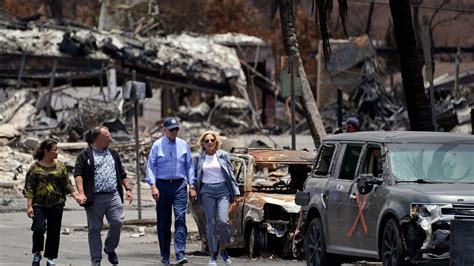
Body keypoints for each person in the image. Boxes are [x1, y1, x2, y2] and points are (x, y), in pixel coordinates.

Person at [74, 126, 133, 266]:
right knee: (94, 229)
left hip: (113, 195)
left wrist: (128, 189)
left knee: (117, 222)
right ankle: (96, 259)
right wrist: (81, 193)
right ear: (99, 138)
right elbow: (78, 175)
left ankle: (110, 248)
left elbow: (122, 173)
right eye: (108, 136)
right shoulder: (85, 155)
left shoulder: (113, 153)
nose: (111, 138)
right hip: (94, 198)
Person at [146, 117, 195, 265]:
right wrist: (153, 186)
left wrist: (192, 186)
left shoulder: (183, 145)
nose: (174, 132)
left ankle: (180, 253)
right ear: (164, 130)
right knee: (163, 222)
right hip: (162, 186)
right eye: (171, 129)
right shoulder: (157, 145)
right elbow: (150, 166)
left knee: (180, 218)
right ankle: (165, 256)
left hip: (179, 185)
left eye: (176, 129)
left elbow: (189, 166)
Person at [23, 138, 79, 266]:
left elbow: (67, 184)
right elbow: (29, 188)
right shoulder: (35, 168)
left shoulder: (60, 166)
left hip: (57, 203)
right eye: (54, 150)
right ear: (46, 151)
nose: (57, 152)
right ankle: (37, 253)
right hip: (39, 204)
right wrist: (29, 206)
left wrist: (76, 196)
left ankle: (51, 258)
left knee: (54, 231)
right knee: (38, 229)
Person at [192, 130, 240, 265]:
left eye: (212, 140)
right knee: (211, 223)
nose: (209, 143)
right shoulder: (199, 157)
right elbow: (195, 176)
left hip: (223, 190)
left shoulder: (223, 155)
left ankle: (223, 249)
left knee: (223, 221)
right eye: (206, 141)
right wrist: (192, 189)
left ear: (216, 142)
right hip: (207, 191)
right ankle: (213, 254)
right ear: (203, 143)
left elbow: (231, 175)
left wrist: (236, 192)